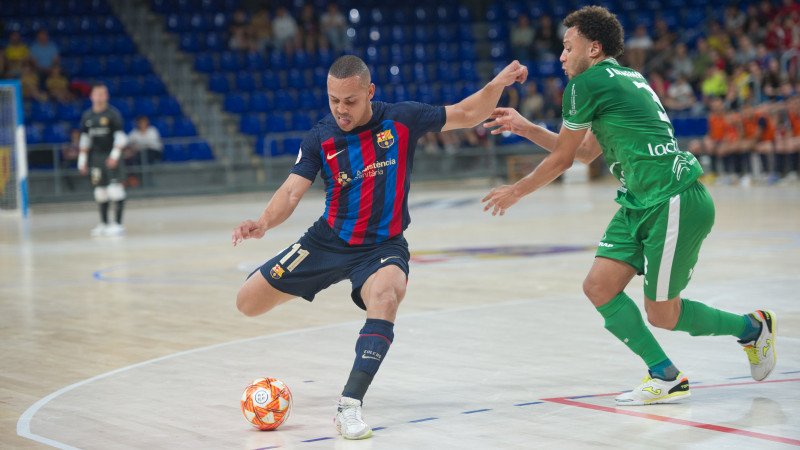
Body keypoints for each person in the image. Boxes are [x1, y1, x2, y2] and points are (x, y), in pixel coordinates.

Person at [481, 6, 776, 406]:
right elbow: (586, 153)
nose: (563, 57)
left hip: (672, 197)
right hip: (640, 200)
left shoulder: (587, 83)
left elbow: (565, 160)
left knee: (662, 314)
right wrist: (527, 127)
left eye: (569, 47)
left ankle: (752, 328)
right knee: (599, 286)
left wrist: (516, 190)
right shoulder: (625, 78)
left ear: (594, 48)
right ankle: (664, 374)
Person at [231, 55, 527, 439]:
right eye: (334, 100)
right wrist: (263, 223)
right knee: (247, 303)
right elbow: (290, 192)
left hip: (382, 247)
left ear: (369, 92)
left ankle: (349, 406)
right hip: (327, 241)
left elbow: (468, 112)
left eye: (350, 100)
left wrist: (498, 83)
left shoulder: (403, 119)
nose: (341, 109)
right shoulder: (321, 138)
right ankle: (307, 283)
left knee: (386, 296)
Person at [79, 83, 128, 237]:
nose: (100, 97)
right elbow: (85, 139)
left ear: (107, 96)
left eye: (103, 94)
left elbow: (121, 137)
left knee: (115, 191)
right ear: (91, 96)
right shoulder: (87, 116)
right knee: (100, 191)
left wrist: (114, 156)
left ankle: (118, 224)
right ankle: (104, 223)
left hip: (111, 156)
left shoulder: (113, 115)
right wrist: (82, 159)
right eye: (97, 94)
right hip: (96, 158)